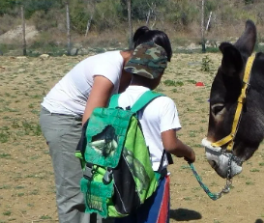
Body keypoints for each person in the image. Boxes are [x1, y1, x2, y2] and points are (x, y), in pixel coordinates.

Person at [39, 27, 172, 223]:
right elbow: (90, 124)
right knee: (76, 189)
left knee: (102, 182)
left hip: (90, 121)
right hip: (64, 118)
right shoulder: (109, 69)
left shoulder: (134, 74)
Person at [114, 41, 196, 223]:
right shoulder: (163, 103)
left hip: (119, 177)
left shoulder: (114, 100)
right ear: (159, 74)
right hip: (152, 178)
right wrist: (189, 152)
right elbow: (170, 144)